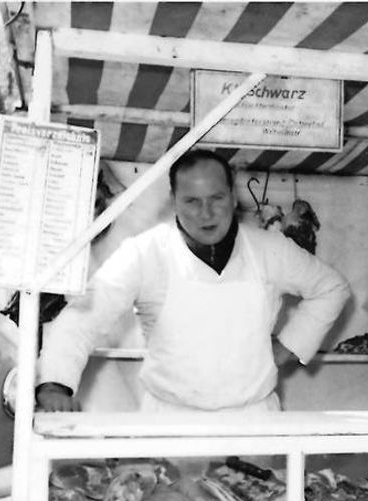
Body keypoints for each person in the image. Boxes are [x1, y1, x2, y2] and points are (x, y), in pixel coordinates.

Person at [36, 149, 351, 413]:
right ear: (174, 200)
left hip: (254, 422)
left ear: (232, 196)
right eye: (192, 201)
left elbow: (331, 288)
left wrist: (290, 346)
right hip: (171, 424)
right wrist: (54, 384)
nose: (206, 213)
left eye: (216, 198)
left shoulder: (270, 249)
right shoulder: (145, 253)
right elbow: (84, 316)